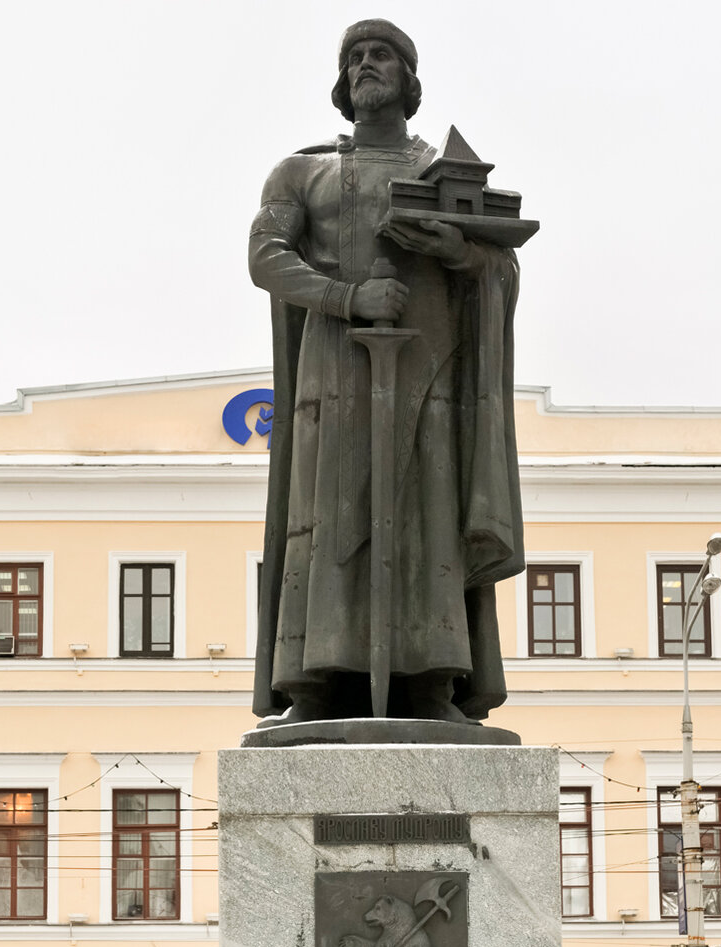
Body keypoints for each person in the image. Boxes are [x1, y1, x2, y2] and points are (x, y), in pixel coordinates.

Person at [250, 19, 525, 724]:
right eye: (355, 59)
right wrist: (347, 297)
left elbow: (499, 265)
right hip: (332, 381)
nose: (366, 66)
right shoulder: (301, 170)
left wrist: (460, 254)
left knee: (425, 513)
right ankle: (315, 682)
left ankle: (433, 678)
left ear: (409, 79)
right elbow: (267, 257)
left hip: (428, 378)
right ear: (342, 83)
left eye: (382, 57)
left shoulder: (443, 172)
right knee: (327, 513)